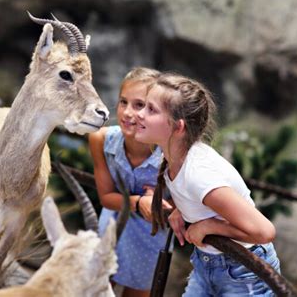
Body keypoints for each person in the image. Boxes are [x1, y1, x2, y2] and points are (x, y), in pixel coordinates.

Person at [134, 72, 281, 296]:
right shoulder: (171, 155)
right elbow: (185, 190)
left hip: (245, 269)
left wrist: (210, 226)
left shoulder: (199, 175)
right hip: (208, 262)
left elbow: (264, 231)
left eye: (151, 109)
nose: (139, 114)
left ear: (178, 127)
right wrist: (181, 210)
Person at [89, 67, 174, 297]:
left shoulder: (171, 155)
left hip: (151, 237)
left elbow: (181, 206)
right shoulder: (102, 140)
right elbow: (106, 198)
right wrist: (140, 202)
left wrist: (160, 203)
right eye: (123, 102)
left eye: (139, 105)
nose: (127, 112)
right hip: (113, 225)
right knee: (94, 288)